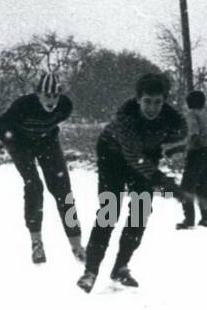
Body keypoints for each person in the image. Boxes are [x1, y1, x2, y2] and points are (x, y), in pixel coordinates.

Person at [77, 72, 187, 292]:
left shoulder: (172, 117)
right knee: (109, 211)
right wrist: (164, 182)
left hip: (145, 156)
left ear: (164, 101)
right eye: (147, 101)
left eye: (158, 102)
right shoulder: (125, 117)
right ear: (138, 99)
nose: (152, 107)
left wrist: (168, 146)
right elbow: (133, 156)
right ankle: (90, 271)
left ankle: (121, 267)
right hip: (113, 156)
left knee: (140, 210)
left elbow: (183, 132)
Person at [0, 72, 86, 265]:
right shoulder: (23, 105)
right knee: (34, 186)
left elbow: (54, 123)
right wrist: (9, 139)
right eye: (46, 95)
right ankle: (36, 243)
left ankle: (76, 244)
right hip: (20, 144)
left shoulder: (65, 106)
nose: (51, 101)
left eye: (54, 96)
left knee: (63, 192)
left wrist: (45, 136)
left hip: (47, 143)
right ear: (37, 93)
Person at [176, 89, 207, 229]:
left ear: (189, 103)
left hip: (198, 153)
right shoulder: (206, 115)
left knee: (186, 188)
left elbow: (193, 133)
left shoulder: (191, 114)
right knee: (203, 188)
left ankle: (189, 220)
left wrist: (177, 149)